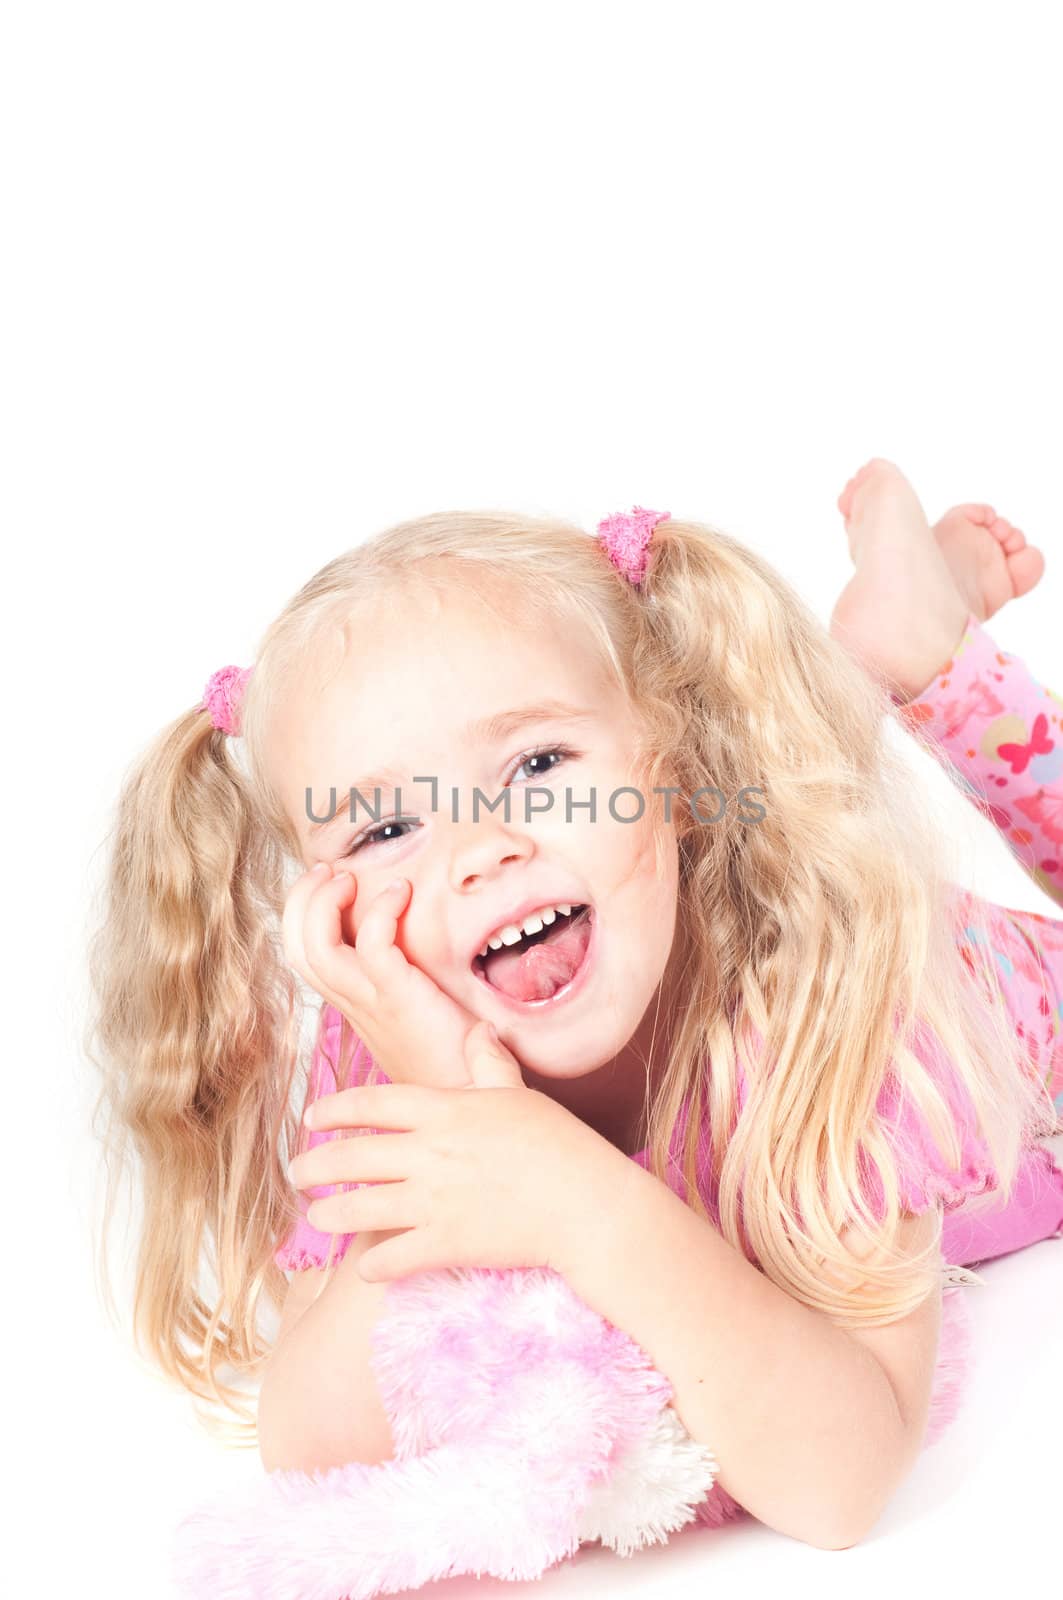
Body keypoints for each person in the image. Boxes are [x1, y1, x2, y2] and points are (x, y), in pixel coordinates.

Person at [86, 460, 1063, 1552]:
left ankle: (927, 655)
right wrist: (460, 1104)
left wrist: (574, 1195)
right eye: (381, 830)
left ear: (680, 769)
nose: (478, 850)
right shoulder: (390, 1032)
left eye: (538, 763)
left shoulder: (833, 988)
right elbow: (316, 1446)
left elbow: (839, 1487)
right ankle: (883, 651)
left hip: (1023, 1032)